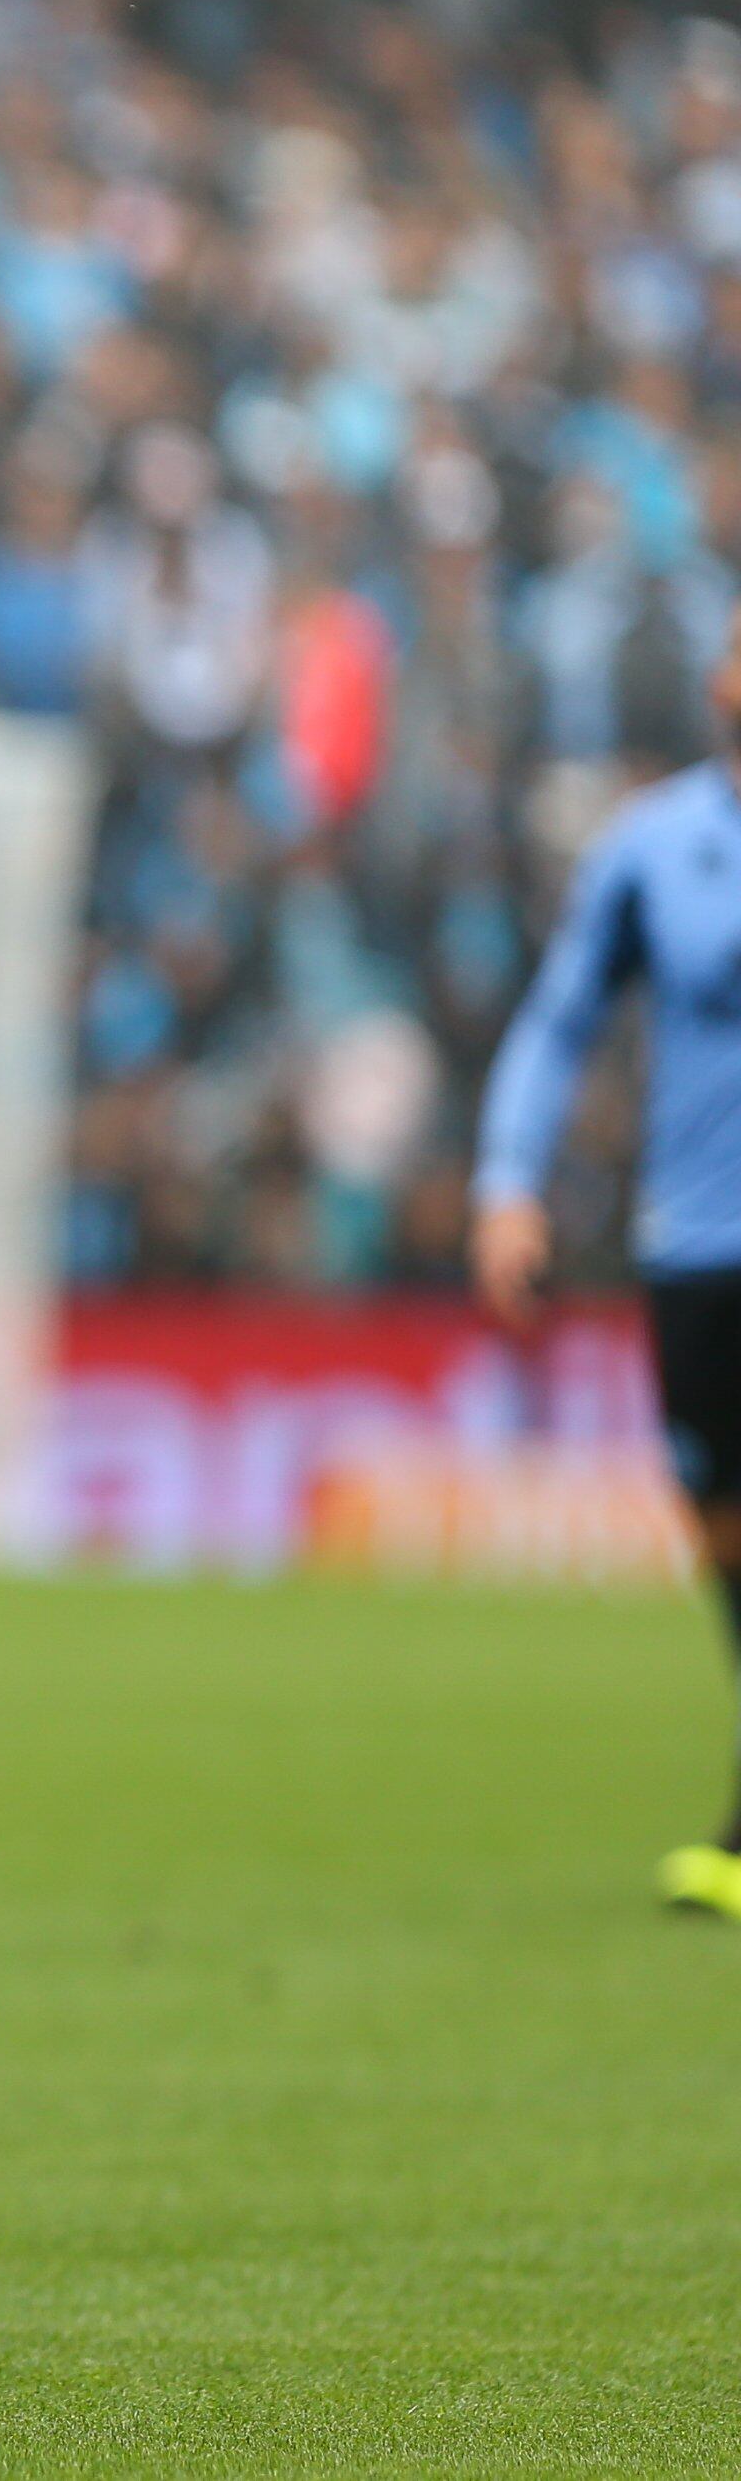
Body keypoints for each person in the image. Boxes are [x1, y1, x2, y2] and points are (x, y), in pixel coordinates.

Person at [476, 608, 741, 1918]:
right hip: (699, 1243)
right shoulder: (654, 849)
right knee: (720, 1521)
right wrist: (508, 1186)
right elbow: (557, 1021)